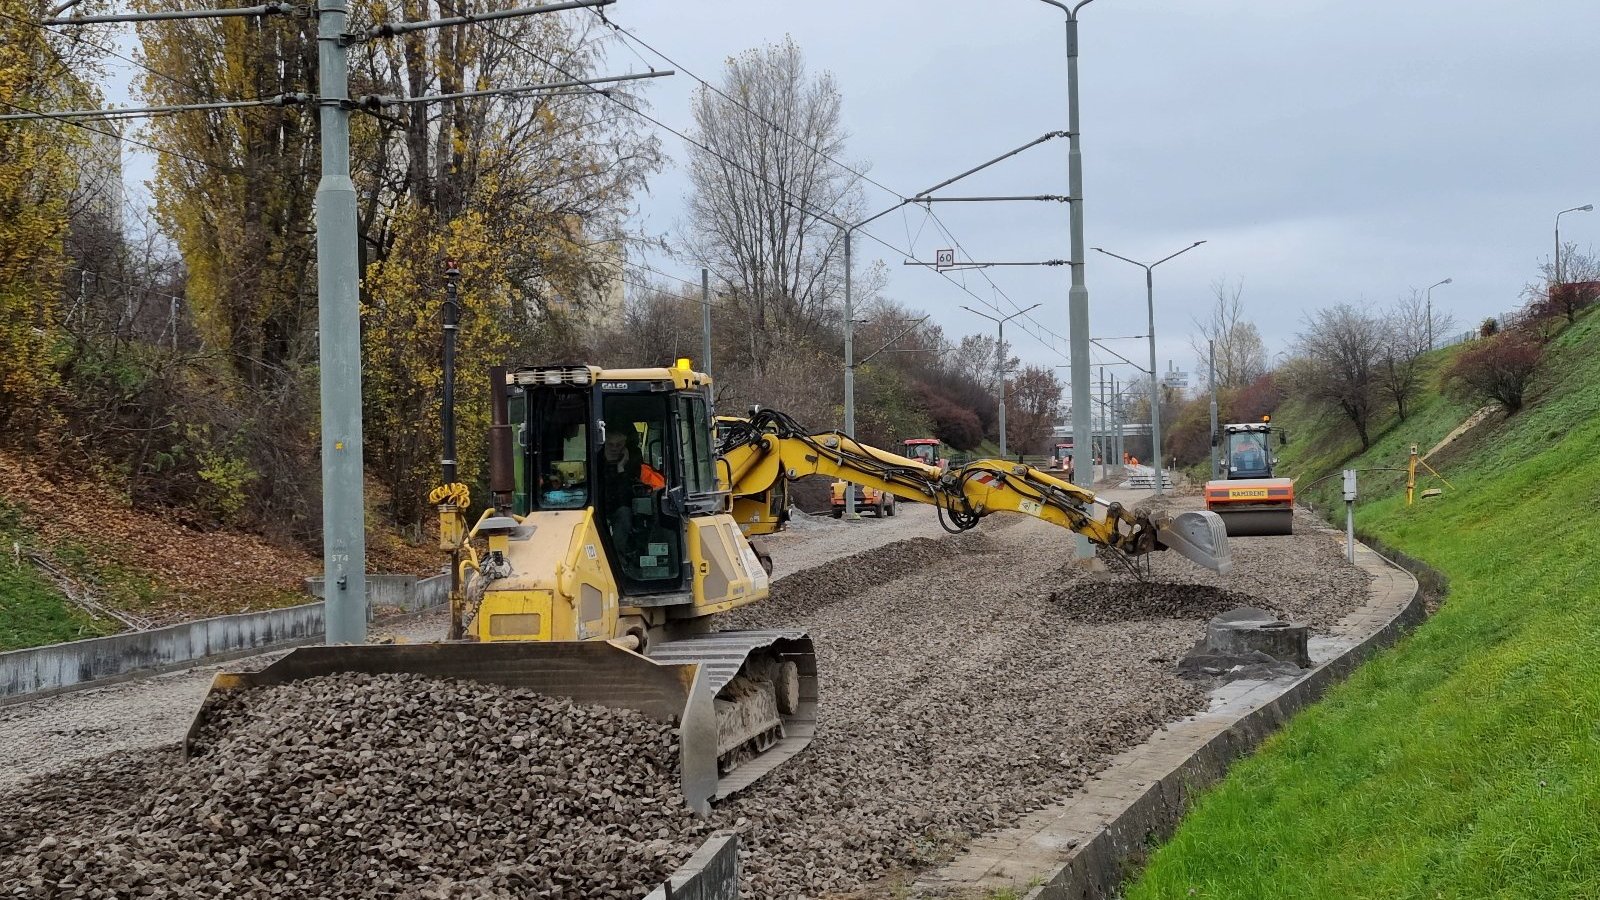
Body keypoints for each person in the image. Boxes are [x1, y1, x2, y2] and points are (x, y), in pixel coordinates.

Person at [600, 428, 664, 546]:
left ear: (626, 447)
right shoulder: (593, 470)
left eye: (618, 445)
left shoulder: (641, 470)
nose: (614, 448)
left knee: (623, 513)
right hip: (599, 517)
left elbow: (662, 491)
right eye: (610, 445)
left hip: (632, 523)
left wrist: (621, 469)